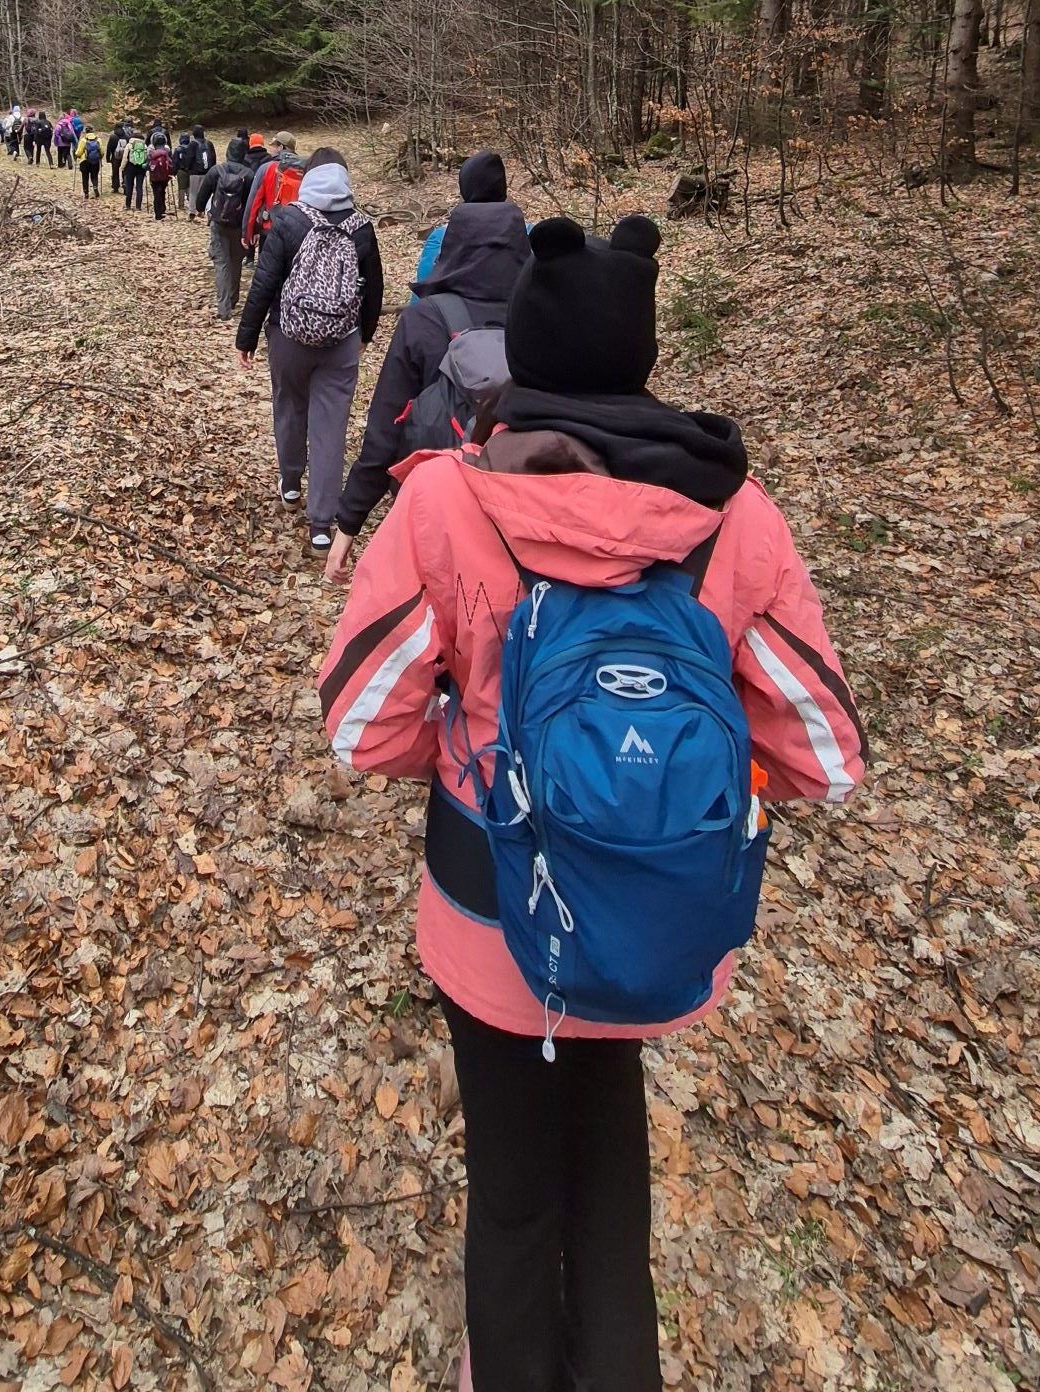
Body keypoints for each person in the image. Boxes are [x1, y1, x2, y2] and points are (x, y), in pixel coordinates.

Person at [317, 216, 865, 1392]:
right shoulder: (736, 517)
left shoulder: (446, 507)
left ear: (527, 354)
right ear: (644, 357)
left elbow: (361, 728)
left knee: (512, 1196)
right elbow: (822, 752)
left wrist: (469, 753)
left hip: (488, 912)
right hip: (654, 912)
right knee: (611, 1180)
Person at [326, 194, 529, 580]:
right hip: (522, 509)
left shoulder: (425, 319)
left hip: (435, 505)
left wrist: (349, 523)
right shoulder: (545, 317)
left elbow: (387, 426)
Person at [236, 148, 383, 551]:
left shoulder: (288, 221)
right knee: (330, 428)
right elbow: (373, 291)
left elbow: (264, 283)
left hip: (288, 337)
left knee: (289, 406)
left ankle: (289, 482)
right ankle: (322, 524)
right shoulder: (362, 229)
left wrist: (246, 337)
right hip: (341, 342)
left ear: (310, 177)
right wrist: (364, 335)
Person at [415, 150, 511, 295]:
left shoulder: (441, 238)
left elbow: (421, 296)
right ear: (503, 188)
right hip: (517, 315)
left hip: (456, 315)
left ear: (464, 189)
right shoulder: (530, 235)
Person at [194, 142, 257, 318]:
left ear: (228, 152)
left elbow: (203, 194)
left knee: (221, 263)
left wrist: (200, 209)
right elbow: (252, 203)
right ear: (243, 154)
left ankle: (223, 308)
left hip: (219, 223)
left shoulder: (216, 171)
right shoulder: (249, 175)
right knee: (236, 261)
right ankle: (233, 297)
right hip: (239, 225)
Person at [242, 130, 303, 255]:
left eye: (274, 146)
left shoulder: (267, 168)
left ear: (281, 147)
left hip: (270, 230)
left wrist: (248, 232)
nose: (272, 150)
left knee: (268, 272)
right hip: (299, 232)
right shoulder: (304, 169)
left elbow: (254, 202)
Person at [122, 127, 149, 210]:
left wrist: (122, 167)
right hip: (141, 168)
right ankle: (138, 206)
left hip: (130, 167)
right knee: (139, 187)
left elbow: (125, 158)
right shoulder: (144, 146)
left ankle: (128, 205)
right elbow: (147, 157)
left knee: (129, 186)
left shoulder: (129, 145)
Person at [148, 138, 175, 220]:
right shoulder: (166, 153)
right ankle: (163, 209)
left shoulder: (151, 154)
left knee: (156, 194)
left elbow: (147, 165)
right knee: (162, 192)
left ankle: (157, 213)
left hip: (154, 177)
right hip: (164, 177)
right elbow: (170, 164)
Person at [172, 130, 198, 211]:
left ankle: (181, 204)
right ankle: (192, 204)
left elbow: (175, 161)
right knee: (190, 188)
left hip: (181, 170)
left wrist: (174, 172)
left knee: (181, 188)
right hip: (191, 171)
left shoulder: (178, 149)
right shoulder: (193, 148)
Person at [79, 128, 103, 198]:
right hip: (95, 161)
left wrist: (77, 155)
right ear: (93, 132)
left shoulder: (83, 140)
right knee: (94, 175)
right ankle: (95, 187)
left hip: (85, 161)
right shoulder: (98, 140)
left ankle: (86, 193)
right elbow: (102, 151)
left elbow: (79, 152)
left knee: (85, 177)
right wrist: (100, 157)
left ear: (86, 132)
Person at [106, 121, 128, 195]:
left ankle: (115, 187)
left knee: (115, 172)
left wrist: (108, 158)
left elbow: (109, 148)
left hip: (115, 157)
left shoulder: (113, 136)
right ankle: (125, 186)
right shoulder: (126, 136)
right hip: (124, 157)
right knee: (124, 171)